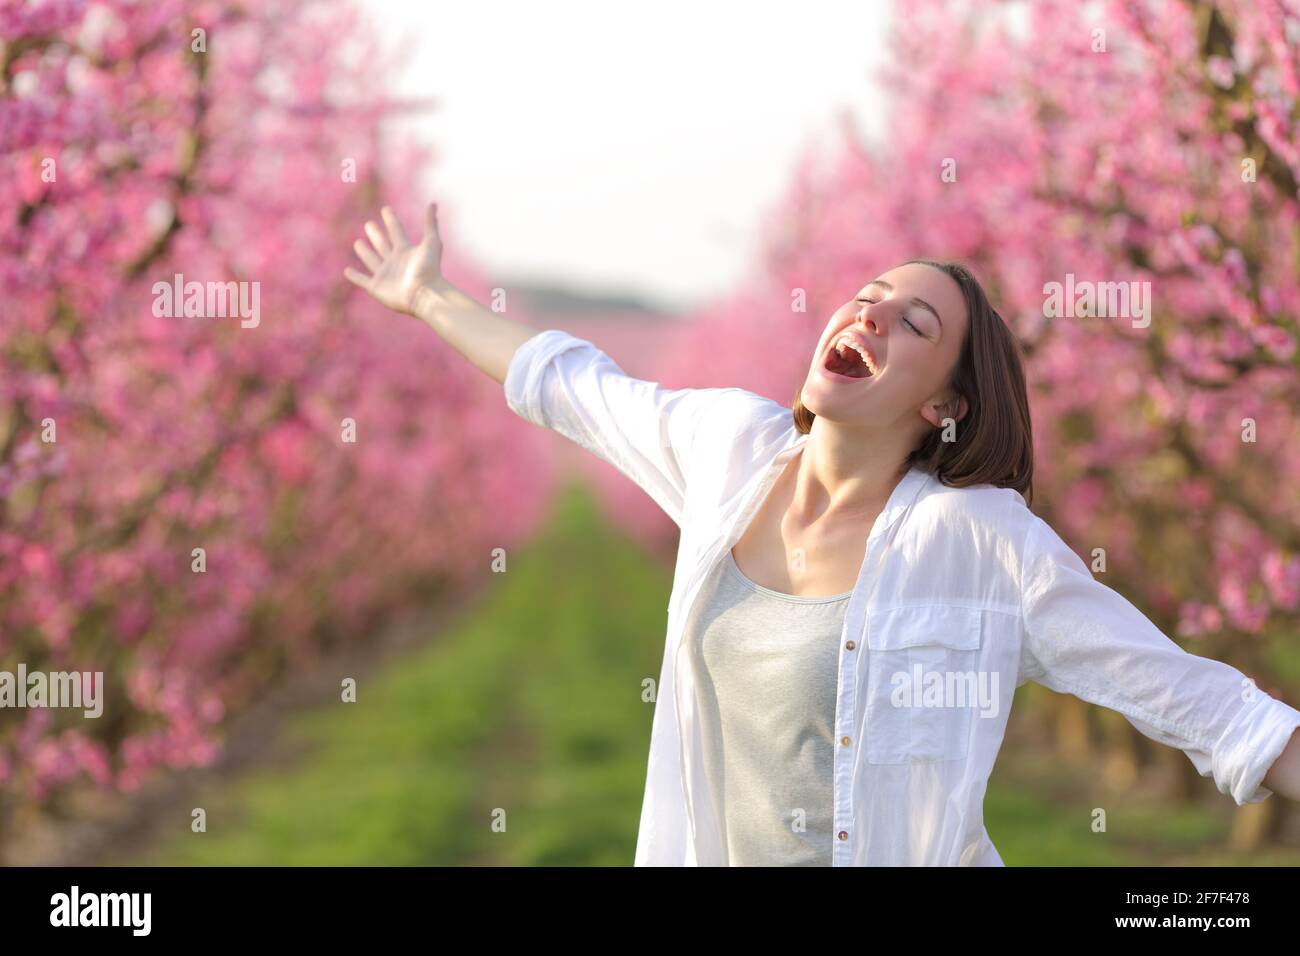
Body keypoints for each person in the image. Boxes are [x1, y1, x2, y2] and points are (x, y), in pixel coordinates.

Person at [345, 202, 1300, 866]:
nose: (869, 312)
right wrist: (427, 296)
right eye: (869, 294)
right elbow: (570, 383)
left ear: (944, 403)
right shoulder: (724, 450)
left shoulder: (980, 540)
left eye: (913, 320)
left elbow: (1194, 700)